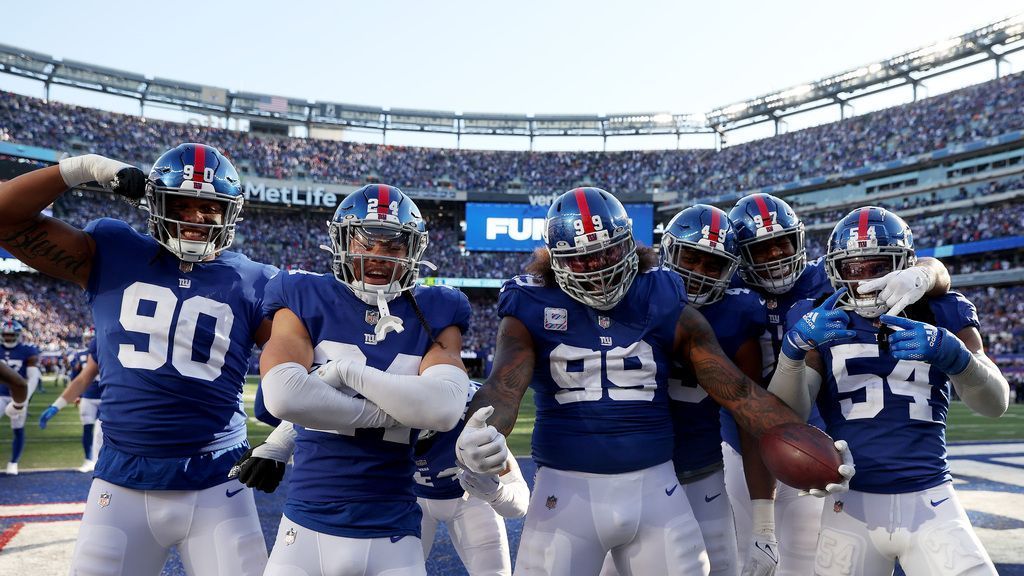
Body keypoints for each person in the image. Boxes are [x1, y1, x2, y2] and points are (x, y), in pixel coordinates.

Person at [456, 187, 844, 576]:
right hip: (564, 487)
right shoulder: (531, 302)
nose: (600, 267)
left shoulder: (661, 294)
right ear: (557, 261)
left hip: (658, 487)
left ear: (629, 245)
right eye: (583, 258)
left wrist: (810, 445)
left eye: (608, 252)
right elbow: (504, 387)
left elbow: (739, 393)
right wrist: (480, 433)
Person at [0, 144, 275, 575]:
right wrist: (84, 168)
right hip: (122, 480)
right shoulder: (114, 250)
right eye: (182, 204)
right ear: (156, 204)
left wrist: (285, 438)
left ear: (231, 214)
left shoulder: (257, 281)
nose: (196, 218)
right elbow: (5, 215)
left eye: (210, 208)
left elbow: (301, 367)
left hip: (220, 479)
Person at [768, 206, 1006, 576]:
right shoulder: (818, 315)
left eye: (878, 267)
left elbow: (996, 404)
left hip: (930, 498)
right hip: (850, 503)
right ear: (835, 269)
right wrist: (793, 350)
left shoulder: (941, 309)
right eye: (852, 268)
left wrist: (957, 357)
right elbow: (789, 416)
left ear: (905, 266)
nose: (864, 280)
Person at [721, 193, 951, 576]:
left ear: (800, 239)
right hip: (742, 443)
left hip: (817, 440)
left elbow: (927, 268)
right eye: (762, 249)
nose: (777, 255)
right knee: (746, 561)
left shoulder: (828, 274)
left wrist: (923, 274)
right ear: (741, 256)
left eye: (784, 242)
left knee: (816, 562)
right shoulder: (728, 292)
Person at [258, 183, 473, 576]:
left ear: (413, 252)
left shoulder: (437, 307)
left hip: (392, 524)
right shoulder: (303, 292)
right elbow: (283, 395)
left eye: (394, 247)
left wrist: (345, 373)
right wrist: (396, 412)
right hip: (307, 521)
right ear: (340, 242)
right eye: (365, 243)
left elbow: (442, 409)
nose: (377, 257)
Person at [234, 381, 530, 575]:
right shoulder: (379, 397)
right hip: (411, 502)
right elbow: (317, 401)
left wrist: (495, 492)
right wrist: (277, 444)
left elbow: (519, 504)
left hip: (469, 502)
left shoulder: (472, 411)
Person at [41, 327, 103, 472]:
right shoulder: (81, 354)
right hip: (88, 396)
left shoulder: (108, 347)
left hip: (108, 397)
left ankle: (100, 462)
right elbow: (78, 378)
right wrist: (73, 396)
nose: (90, 341)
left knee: (103, 433)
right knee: (88, 429)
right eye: (88, 338)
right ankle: (89, 460)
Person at [0, 319, 40, 475]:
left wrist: (24, 400)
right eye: (6, 335)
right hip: (0, 393)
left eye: (11, 335)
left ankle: (14, 462)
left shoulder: (28, 351)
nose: (8, 338)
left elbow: (33, 377)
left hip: (17, 396)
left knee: (17, 428)